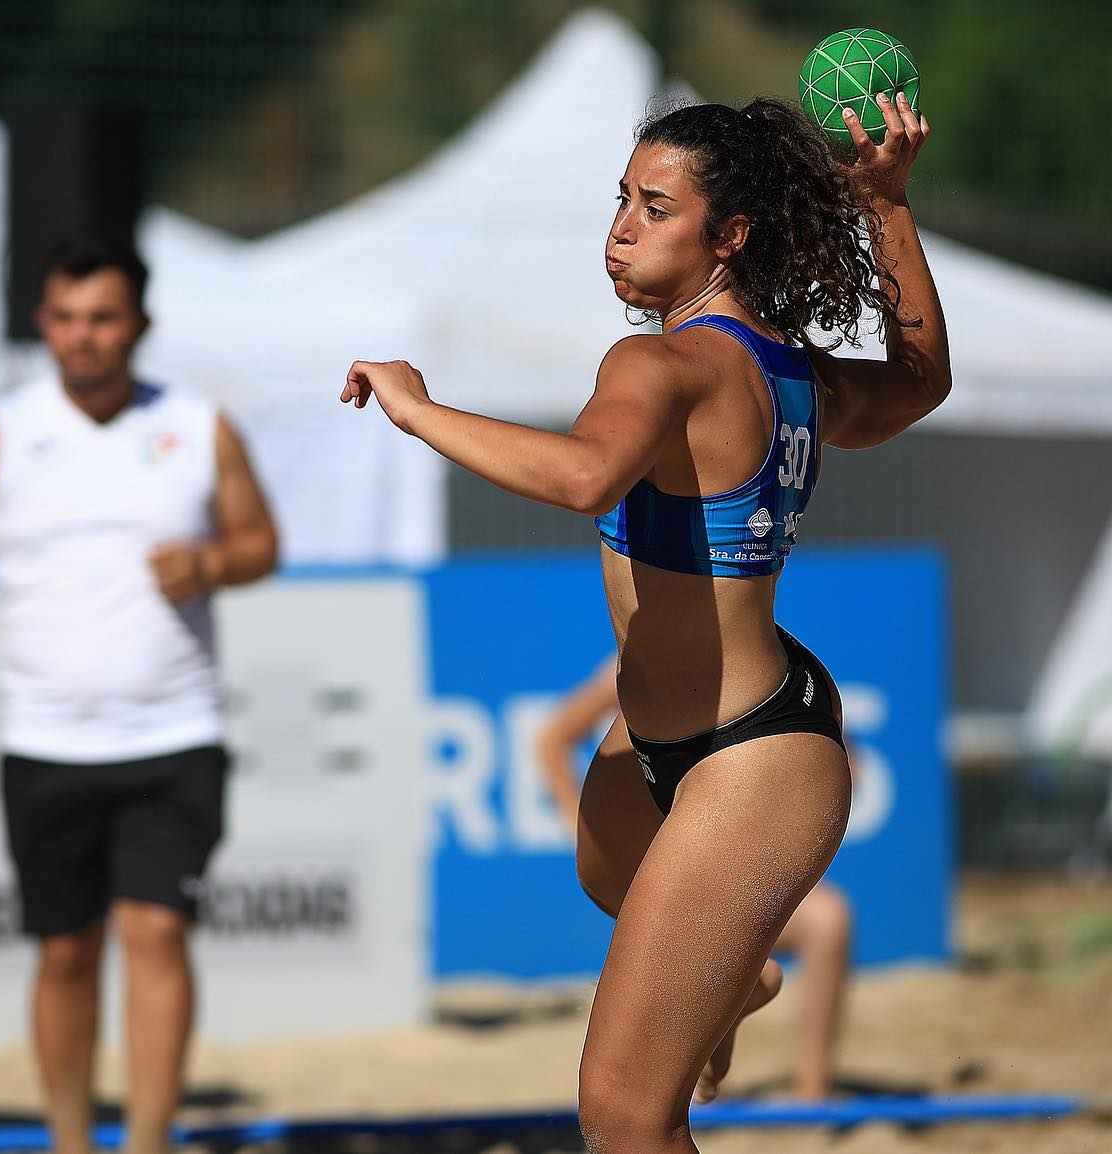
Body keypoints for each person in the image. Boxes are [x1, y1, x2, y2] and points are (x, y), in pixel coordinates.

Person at [342, 90, 945, 1153]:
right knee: (603, 865)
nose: (621, 226)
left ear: (730, 237)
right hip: (687, 730)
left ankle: (727, 978)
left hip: (753, 756)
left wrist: (419, 405)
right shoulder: (786, 366)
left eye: (654, 207)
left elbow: (584, 476)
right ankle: (738, 975)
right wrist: (887, 206)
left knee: (623, 1112)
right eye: (620, 198)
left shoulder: (661, 362)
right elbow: (918, 381)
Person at [0, 237, 278, 1154]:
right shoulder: (2, 430)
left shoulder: (198, 426)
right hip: (45, 740)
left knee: (156, 934)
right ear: (42, 324)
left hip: (173, 731)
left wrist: (208, 564)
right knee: (66, 950)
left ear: (140, 325)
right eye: (66, 318)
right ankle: (70, 1140)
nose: (84, 337)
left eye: (103, 318)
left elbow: (260, 542)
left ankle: (150, 1139)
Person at [536, 655, 852, 1100]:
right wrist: (578, 822)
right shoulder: (637, 657)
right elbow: (552, 740)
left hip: (745, 717)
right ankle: (731, 996)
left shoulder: (663, 639)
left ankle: (814, 1093)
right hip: (733, 698)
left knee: (828, 920)